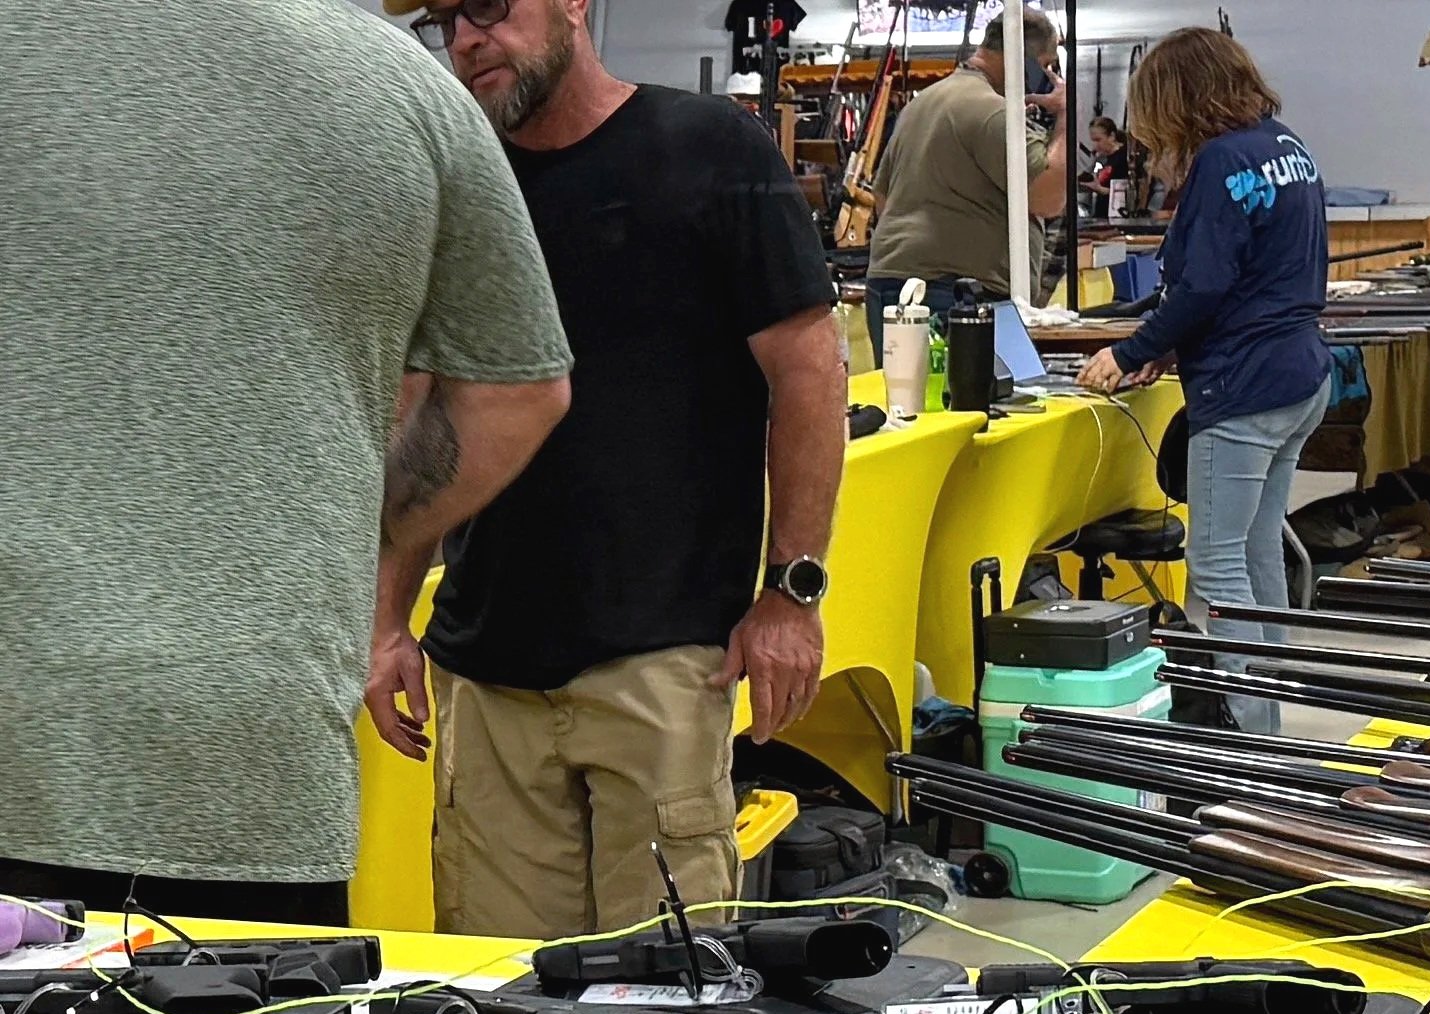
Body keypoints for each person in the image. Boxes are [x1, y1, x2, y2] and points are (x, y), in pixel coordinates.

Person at [0, 0, 572, 924]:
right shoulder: (404, 84)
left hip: (18, 722)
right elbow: (516, 392)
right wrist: (377, 543)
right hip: (251, 745)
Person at [373, 0, 846, 939]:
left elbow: (809, 370)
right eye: (443, 22)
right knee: (504, 1011)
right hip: (486, 669)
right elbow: (424, 417)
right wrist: (387, 615)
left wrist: (791, 592)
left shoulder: (710, 151)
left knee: (670, 1011)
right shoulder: (460, 185)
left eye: (487, 6)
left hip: (662, 665)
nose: (466, 39)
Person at [1076, 29, 1330, 736]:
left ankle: (1246, 742)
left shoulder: (1219, 162)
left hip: (1244, 389)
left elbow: (1204, 284)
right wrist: (1172, 343)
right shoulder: (1285, 145)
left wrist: (1132, 352)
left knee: (1216, 570)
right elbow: (1248, 275)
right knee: (1257, 558)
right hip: (1299, 373)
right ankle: (1267, 724)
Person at [864, 8, 1071, 353]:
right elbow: (1048, 197)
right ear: (1028, 61)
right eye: (1047, 66)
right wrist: (1065, 115)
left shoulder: (924, 102)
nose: (1048, 76)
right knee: (972, 404)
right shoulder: (994, 112)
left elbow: (883, 197)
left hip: (891, 282)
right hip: (952, 292)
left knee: (906, 401)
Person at [1087, 115, 1132, 188]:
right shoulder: (1099, 158)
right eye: (1093, 140)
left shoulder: (1124, 157)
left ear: (1111, 136)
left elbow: (1122, 190)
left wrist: (1098, 189)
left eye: (1098, 140)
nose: (1095, 145)